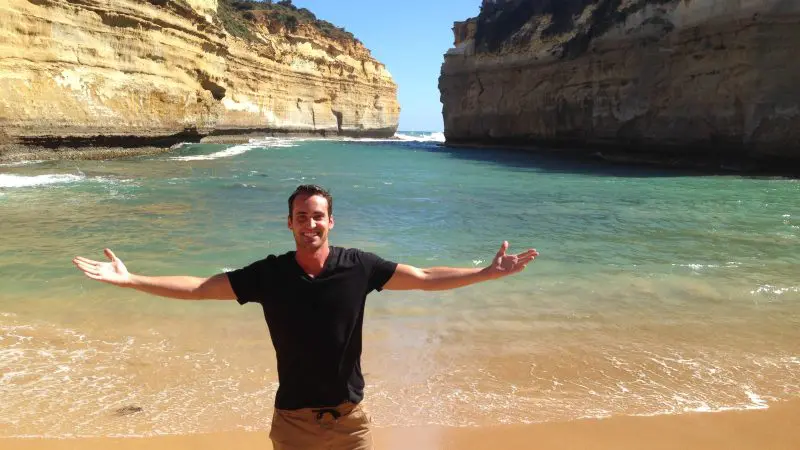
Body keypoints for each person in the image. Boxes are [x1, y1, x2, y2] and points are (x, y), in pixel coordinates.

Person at [72, 184, 538, 450]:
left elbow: (424, 276)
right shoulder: (269, 275)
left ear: (330, 221)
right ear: (289, 223)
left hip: (351, 421)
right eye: (301, 216)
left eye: (318, 216)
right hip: (292, 423)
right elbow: (198, 287)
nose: (309, 223)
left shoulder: (359, 267)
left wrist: (484, 273)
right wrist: (132, 279)